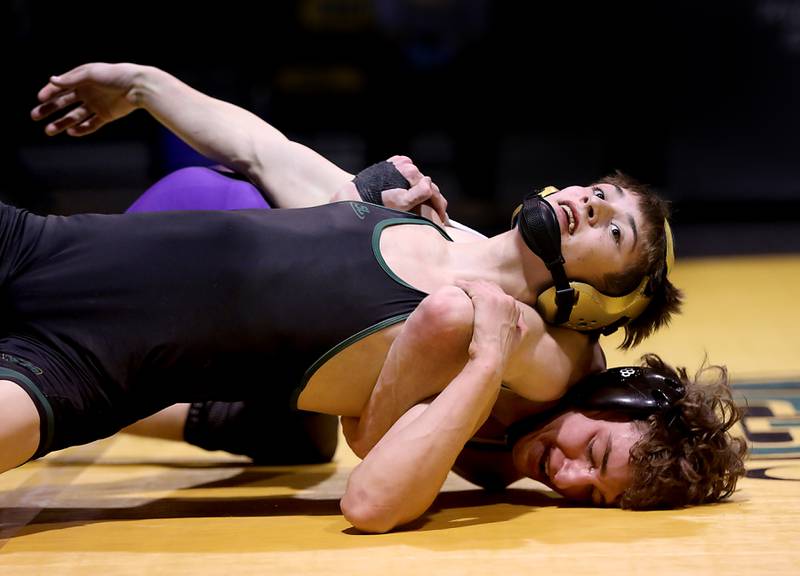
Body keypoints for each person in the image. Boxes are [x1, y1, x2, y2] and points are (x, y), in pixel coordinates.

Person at [13, 62, 708, 533]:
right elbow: (264, 151)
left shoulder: (538, 356)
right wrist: (142, 83)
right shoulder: (434, 228)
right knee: (291, 411)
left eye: (614, 230)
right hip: (55, 248)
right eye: (601, 196)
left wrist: (481, 363)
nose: (570, 477)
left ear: (603, 307)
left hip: (88, 367)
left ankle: (270, 424)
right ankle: (273, 426)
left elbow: (375, 456)